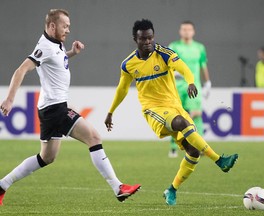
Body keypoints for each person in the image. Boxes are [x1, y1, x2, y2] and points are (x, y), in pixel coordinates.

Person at [0, 9, 140, 206]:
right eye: (64, 26)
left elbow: (55, 62)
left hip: (51, 108)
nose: (67, 30)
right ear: (52, 26)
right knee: (94, 137)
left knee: (46, 157)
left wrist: (72, 53)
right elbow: (21, 70)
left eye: (69, 26)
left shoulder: (55, 45)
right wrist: (9, 99)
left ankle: (2, 185)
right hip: (56, 108)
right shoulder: (45, 46)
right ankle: (118, 187)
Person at [104, 19, 238, 206]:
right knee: (182, 124)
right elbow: (122, 89)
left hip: (174, 106)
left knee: (194, 152)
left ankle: (171, 190)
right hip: (153, 110)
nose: (148, 42)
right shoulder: (128, 64)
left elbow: (184, 68)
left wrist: (191, 81)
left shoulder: (164, 53)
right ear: (135, 39)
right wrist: (111, 111)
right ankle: (219, 160)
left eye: (150, 38)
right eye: (143, 39)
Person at [168, 21, 211, 158]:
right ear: (180, 31)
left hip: (194, 85)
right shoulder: (174, 46)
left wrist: (208, 82)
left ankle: (201, 146)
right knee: (177, 116)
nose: (186, 32)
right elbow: (167, 64)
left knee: (196, 113)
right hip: (177, 86)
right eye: (184, 29)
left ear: (193, 31)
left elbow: (203, 65)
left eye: (189, 29)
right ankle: (174, 147)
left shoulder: (199, 48)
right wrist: (173, 73)